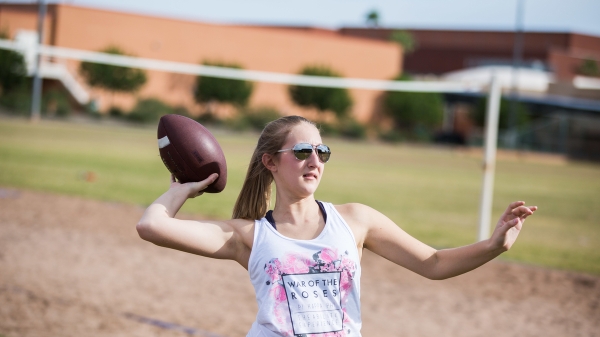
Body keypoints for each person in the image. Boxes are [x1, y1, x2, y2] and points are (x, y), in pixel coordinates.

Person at [137, 115, 537, 337]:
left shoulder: (355, 220)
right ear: (271, 163)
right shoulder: (249, 235)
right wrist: (184, 188)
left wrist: (494, 246)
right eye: (301, 151)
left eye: (322, 151)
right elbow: (151, 225)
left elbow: (433, 263)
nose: (315, 159)